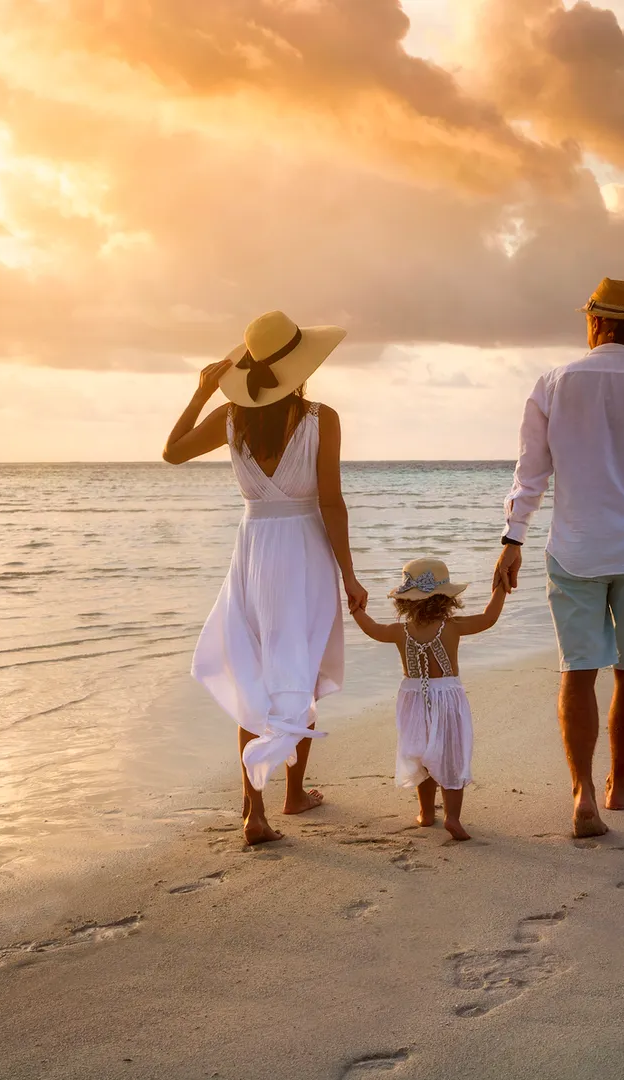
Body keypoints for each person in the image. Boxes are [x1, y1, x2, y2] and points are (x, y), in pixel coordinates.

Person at [493, 278, 624, 838]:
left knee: (577, 670)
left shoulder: (554, 383)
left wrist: (512, 539)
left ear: (596, 323)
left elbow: (531, 471)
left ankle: (582, 790)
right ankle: (618, 785)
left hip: (575, 547)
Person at [164, 310, 369, 846]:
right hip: (304, 551)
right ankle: (294, 793)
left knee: (255, 673)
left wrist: (201, 393)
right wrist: (349, 574)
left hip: (254, 552)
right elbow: (331, 502)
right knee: (297, 664)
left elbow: (172, 451)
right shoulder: (322, 418)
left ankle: (253, 811)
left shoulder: (231, 418)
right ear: (302, 366)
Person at [349, 558, 507, 843]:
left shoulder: (400, 632)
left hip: (413, 700)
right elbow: (488, 618)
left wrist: (356, 609)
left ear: (405, 602)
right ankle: (452, 817)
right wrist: (500, 588)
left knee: (421, 755)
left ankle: (425, 813)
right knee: (451, 756)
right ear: (446, 598)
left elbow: (371, 629)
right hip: (447, 697)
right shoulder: (453, 627)